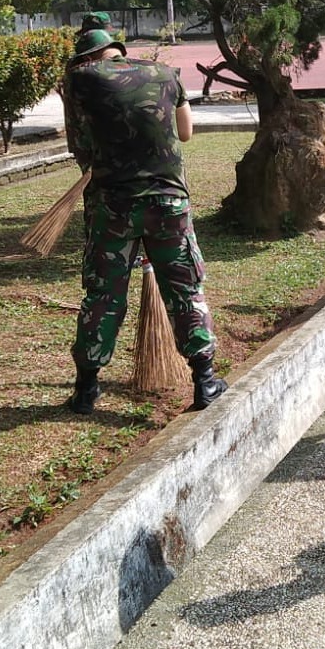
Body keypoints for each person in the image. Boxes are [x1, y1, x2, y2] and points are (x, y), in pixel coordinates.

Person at [62, 27, 227, 414]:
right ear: (118, 51)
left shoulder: (79, 80)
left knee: (103, 295)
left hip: (113, 206)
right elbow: (185, 132)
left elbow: (80, 147)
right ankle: (205, 381)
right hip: (169, 202)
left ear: (87, 59)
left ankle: (86, 389)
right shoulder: (165, 73)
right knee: (185, 288)